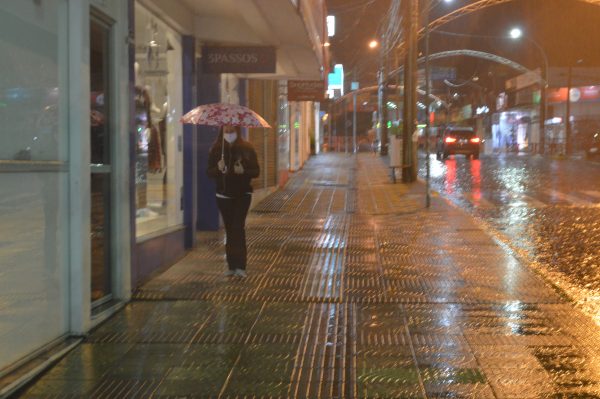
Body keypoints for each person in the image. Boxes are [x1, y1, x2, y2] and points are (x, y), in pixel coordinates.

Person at [207, 125, 260, 278]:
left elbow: (256, 171)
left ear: (237, 129)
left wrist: (244, 171)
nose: (229, 132)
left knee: (238, 228)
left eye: (232, 128)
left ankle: (241, 266)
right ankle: (231, 266)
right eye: (226, 129)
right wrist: (218, 169)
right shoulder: (216, 149)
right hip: (223, 196)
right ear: (222, 129)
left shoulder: (247, 148)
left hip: (242, 195)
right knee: (230, 230)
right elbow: (209, 172)